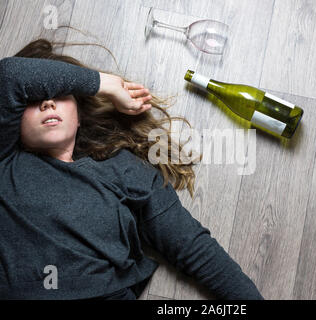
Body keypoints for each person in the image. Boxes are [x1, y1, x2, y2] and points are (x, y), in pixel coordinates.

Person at [0, 38, 264, 300]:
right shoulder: (5, 160)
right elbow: (10, 75)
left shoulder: (123, 169)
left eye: (60, 95)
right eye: (33, 100)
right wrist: (107, 85)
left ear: (79, 116)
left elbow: (194, 249)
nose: (48, 103)